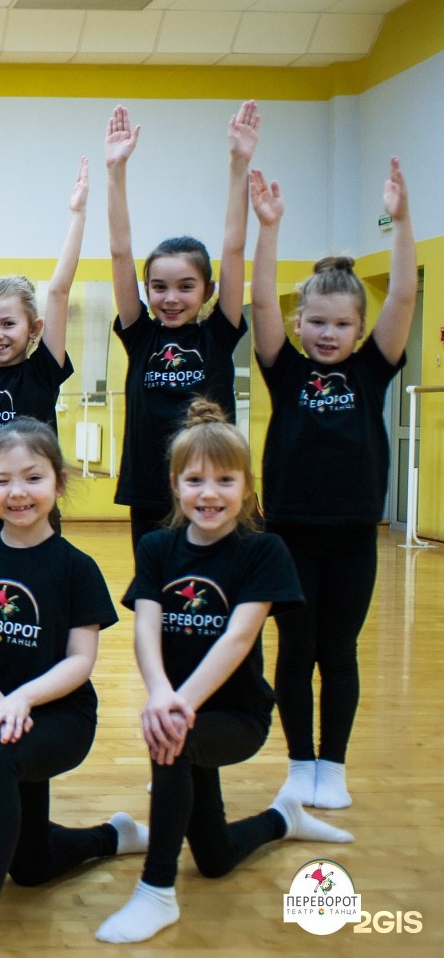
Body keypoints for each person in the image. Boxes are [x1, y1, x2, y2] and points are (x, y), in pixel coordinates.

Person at [95, 400, 353, 945]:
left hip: (237, 715)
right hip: (182, 706)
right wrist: (160, 692)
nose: (209, 493)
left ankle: (156, 891)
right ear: (175, 486)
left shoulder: (263, 552)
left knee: (173, 739)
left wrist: (177, 705)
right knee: (213, 859)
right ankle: (283, 819)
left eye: (225, 480)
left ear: (247, 487)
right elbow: (146, 628)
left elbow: (238, 637)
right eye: (195, 480)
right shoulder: (157, 547)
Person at [0, 418, 145, 958]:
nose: (17, 492)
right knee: (29, 867)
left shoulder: (77, 568)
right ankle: (112, 836)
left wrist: (22, 700)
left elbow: (80, 661)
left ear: (59, 481)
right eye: (2, 480)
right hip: (2, 709)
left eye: (32, 477)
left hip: (60, 718)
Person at [250, 160, 417, 810]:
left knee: (338, 652)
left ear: (359, 329)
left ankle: (333, 764)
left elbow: (402, 297)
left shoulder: (373, 369)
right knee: (296, 649)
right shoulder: (284, 369)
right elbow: (264, 300)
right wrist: (270, 228)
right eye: (316, 322)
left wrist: (401, 222)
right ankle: (299, 763)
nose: (327, 334)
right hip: (289, 535)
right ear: (300, 324)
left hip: (351, 537)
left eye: (341, 325)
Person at [105, 102, 256, 548]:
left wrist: (238, 165)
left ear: (208, 290)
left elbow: (233, 248)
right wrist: (115, 172)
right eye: (159, 287)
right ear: (146, 289)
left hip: (211, 489)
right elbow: (119, 251)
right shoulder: (141, 334)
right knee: (157, 583)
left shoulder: (218, 333)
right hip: (150, 489)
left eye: (185, 287)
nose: (170, 298)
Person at [0, 159, 87, 542]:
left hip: (33, 505)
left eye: (9, 324)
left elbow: (58, 291)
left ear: (34, 329)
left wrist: (77, 216)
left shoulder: (43, 370)